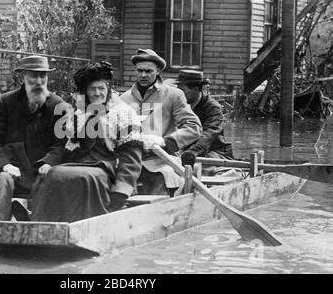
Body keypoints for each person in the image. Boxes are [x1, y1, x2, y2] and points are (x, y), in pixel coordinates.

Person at [30, 61, 143, 222]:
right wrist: (49, 163)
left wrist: (121, 189)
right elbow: (67, 147)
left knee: (83, 177)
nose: (97, 93)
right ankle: (43, 221)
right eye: (92, 89)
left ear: (108, 89)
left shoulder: (123, 113)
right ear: (86, 92)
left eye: (101, 88)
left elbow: (132, 157)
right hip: (78, 163)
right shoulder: (79, 114)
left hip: (107, 167)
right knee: (50, 175)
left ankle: (89, 224)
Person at [0, 55, 67, 220]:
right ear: (23, 76)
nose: (39, 81)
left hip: (42, 170)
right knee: (3, 179)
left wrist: (49, 163)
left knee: (49, 181)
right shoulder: (6, 102)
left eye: (43, 75)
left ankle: (37, 223)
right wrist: (4, 165)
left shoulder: (58, 105)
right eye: (33, 75)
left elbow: (61, 144)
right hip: (13, 169)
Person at [120, 49, 202, 195]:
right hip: (131, 162)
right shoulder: (124, 99)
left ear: (158, 70)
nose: (143, 75)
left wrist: (164, 141)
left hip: (163, 160)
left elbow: (194, 127)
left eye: (148, 71)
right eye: (140, 71)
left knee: (163, 181)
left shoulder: (173, 95)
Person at [165, 70, 233, 175]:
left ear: (196, 89)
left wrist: (193, 152)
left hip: (214, 152)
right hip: (187, 152)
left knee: (200, 168)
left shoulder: (212, 107)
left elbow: (209, 134)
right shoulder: (179, 105)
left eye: (183, 90)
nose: (179, 93)